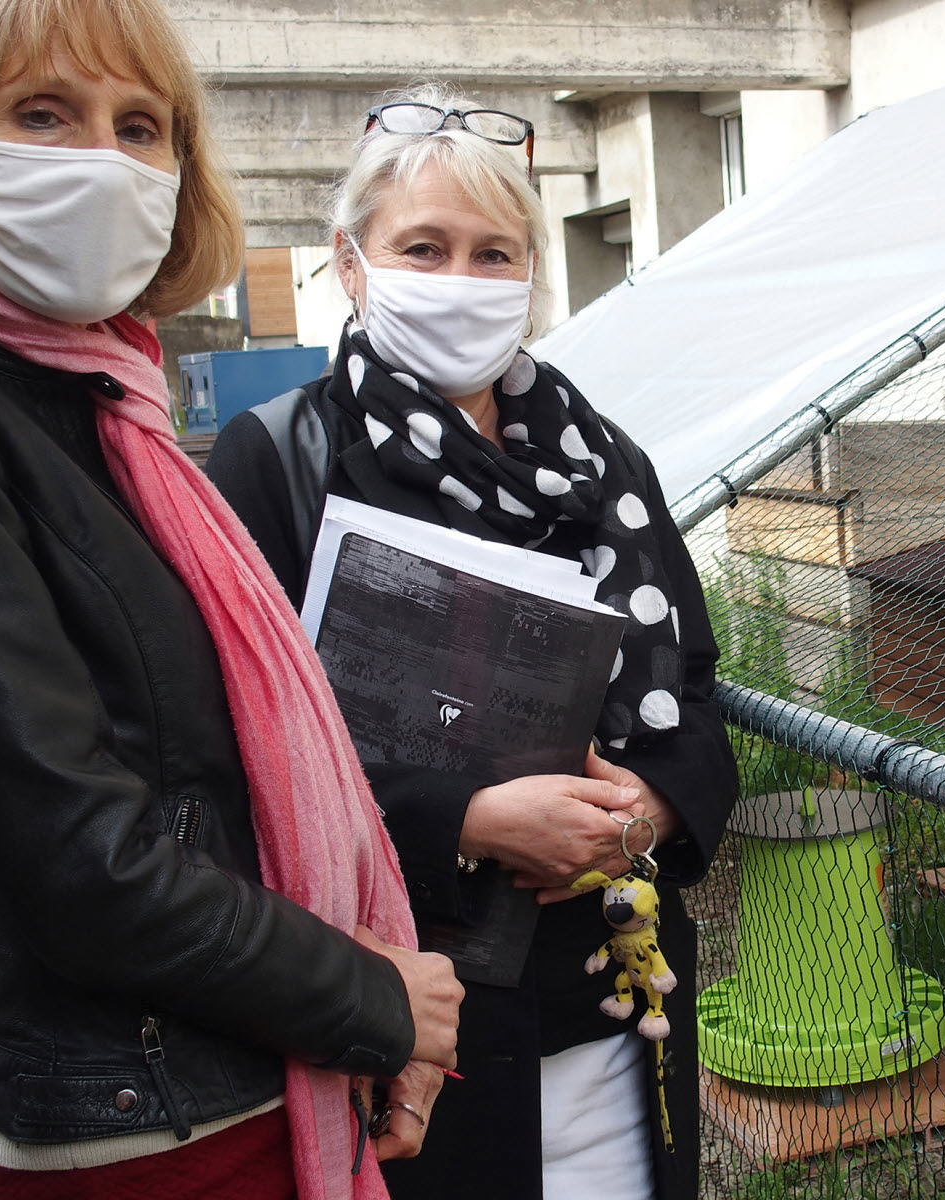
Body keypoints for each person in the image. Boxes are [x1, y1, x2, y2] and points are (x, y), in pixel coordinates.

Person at [0, 2, 465, 1197]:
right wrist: (370, 993)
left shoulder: (108, 409)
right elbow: (80, 855)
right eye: (40, 114)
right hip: (131, 1122)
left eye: (141, 126)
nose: (103, 163)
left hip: (241, 1072)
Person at [206, 86, 737, 1200]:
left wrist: (648, 812)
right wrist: (469, 821)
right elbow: (228, 747)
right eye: (422, 247)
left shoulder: (603, 465)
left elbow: (691, 687)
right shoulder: (280, 458)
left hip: (607, 983)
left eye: (494, 253)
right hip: (409, 1009)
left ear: (529, 276)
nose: (459, 280)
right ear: (350, 264)